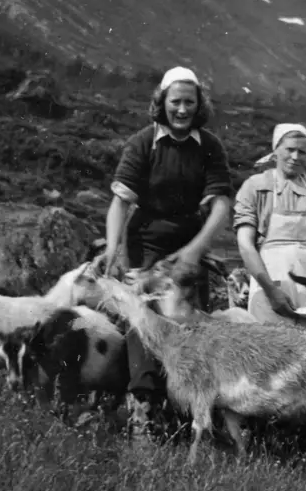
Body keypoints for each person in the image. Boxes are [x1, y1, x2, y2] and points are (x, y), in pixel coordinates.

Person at [91, 65, 234, 445]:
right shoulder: (143, 143)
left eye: (190, 102)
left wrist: (195, 251)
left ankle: (192, 417)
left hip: (189, 244)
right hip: (146, 244)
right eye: (176, 102)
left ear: (199, 105)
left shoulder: (209, 147)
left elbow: (221, 206)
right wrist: (113, 247)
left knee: (190, 329)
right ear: (162, 103)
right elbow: (120, 203)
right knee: (145, 327)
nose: (183, 110)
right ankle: (144, 413)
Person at [234, 123, 306, 325]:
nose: (295, 157)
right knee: (270, 345)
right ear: (275, 150)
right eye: (289, 149)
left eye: (302, 152)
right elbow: (245, 245)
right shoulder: (256, 186)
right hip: (270, 282)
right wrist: (271, 290)